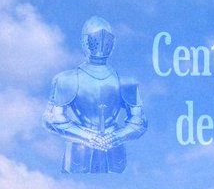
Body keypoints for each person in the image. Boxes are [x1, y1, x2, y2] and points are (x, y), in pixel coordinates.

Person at [43, 17, 146, 174]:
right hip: (81, 149)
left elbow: (139, 122)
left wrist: (115, 137)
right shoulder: (67, 79)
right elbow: (52, 119)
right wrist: (90, 137)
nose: (102, 42)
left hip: (113, 150)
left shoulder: (126, 82)